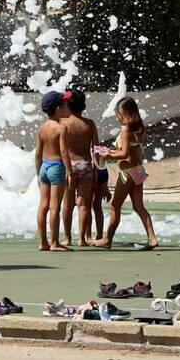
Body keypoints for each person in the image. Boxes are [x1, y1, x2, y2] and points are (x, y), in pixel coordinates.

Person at [94, 97, 159, 251]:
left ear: (126, 114)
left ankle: (107, 239)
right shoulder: (139, 128)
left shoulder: (125, 129)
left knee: (114, 205)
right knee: (139, 206)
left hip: (127, 172)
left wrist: (108, 155)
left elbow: (124, 154)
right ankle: (152, 238)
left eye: (119, 114)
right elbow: (131, 151)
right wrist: (112, 151)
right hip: (138, 171)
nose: (117, 117)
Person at [33, 91, 72, 251]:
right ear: (58, 109)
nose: (67, 106)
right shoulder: (60, 128)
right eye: (65, 104)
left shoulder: (42, 128)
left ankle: (43, 242)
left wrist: (38, 173)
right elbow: (64, 152)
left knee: (43, 205)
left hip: (44, 166)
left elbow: (37, 153)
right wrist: (69, 171)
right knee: (55, 206)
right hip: (56, 166)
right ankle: (54, 242)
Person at [60, 88, 96, 247]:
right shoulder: (89, 124)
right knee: (84, 204)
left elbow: (59, 148)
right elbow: (96, 147)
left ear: (67, 105)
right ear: (83, 106)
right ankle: (82, 238)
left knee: (67, 204)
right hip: (86, 165)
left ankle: (67, 238)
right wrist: (98, 168)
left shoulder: (62, 124)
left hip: (69, 166)